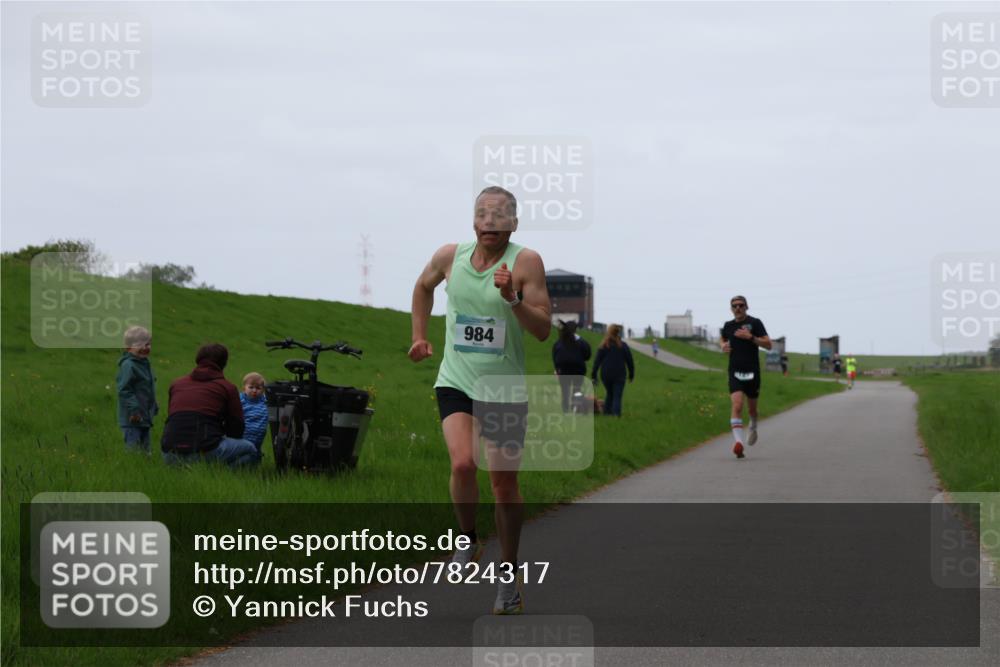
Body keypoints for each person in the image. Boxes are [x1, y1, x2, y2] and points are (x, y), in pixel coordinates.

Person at [408, 185, 552, 615]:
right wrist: (419, 336)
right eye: (483, 214)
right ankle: (467, 539)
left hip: (504, 388)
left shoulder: (526, 262)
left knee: (503, 485)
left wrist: (512, 299)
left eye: (500, 215)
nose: (490, 221)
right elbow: (422, 287)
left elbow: (543, 328)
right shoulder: (450, 256)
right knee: (462, 463)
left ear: (514, 223)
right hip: (455, 379)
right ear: (473, 220)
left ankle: (508, 577)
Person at [161, 343, 261, 468]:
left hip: (169, 453)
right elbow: (236, 429)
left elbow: (174, 417)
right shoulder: (227, 387)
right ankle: (220, 475)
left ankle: (199, 472)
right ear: (223, 363)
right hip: (204, 449)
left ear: (198, 360)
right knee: (250, 449)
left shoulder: (176, 384)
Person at [720, 296, 772, 459]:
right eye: (734, 306)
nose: (738, 308)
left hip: (752, 371)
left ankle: (753, 426)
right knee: (737, 405)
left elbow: (768, 344)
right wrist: (723, 345)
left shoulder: (755, 323)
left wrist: (750, 337)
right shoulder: (728, 325)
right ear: (731, 309)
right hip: (734, 370)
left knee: (752, 409)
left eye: (741, 305)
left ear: (746, 307)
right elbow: (722, 338)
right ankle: (739, 444)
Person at [116, 325, 158, 454]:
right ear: (129, 347)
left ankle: (145, 469)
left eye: (148, 344)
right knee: (133, 451)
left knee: (146, 452)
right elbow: (124, 390)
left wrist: (153, 405)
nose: (145, 347)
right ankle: (131, 469)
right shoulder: (129, 365)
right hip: (132, 418)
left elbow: (146, 388)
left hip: (144, 416)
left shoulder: (144, 363)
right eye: (140, 344)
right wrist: (134, 410)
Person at [591, 324, 635, 417]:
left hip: (605, 375)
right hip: (619, 374)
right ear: (618, 333)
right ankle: (616, 415)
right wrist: (631, 374)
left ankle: (606, 413)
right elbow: (629, 361)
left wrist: (594, 374)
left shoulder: (603, 345)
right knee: (617, 395)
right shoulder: (623, 346)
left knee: (610, 393)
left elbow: (597, 362)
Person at [552, 321, 591, 412]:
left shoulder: (559, 343)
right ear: (575, 329)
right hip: (578, 369)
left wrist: (557, 369)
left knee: (565, 391)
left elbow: (555, 356)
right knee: (577, 390)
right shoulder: (581, 342)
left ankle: (565, 410)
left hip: (564, 370)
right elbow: (587, 355)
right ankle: (576, 408)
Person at [240, 372, 269, 456]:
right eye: (251, 387)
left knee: (256, 455)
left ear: (263, 390)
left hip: (259, 436)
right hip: (244, 436)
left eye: (258, 388)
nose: (254, 390)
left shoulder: (265, 400)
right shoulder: (240, 400)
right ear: (244, 388)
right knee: (245, 454)